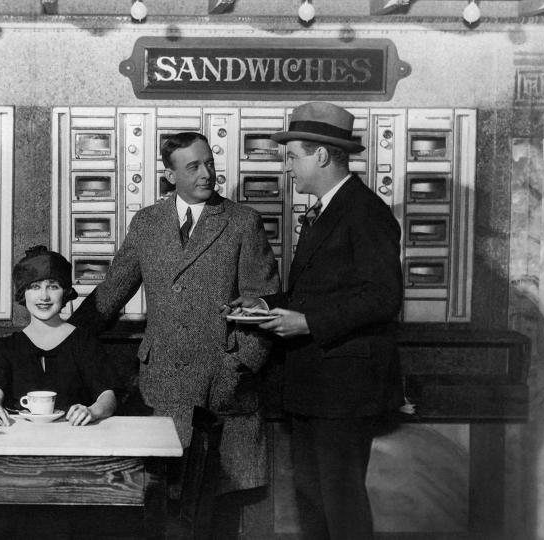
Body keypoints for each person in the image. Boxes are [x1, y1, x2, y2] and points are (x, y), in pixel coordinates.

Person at [68, 132, 281, 512]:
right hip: (162, 380)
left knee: (219, 505)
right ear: (170, 174)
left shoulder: (242, 222)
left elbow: (262, 302)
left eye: (209, 163)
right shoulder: (148, 223)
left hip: (223, 382)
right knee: (165, 502)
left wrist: (243, 362)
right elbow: (113, 289)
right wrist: (62, 338)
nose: (206, 174)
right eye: (193, 166)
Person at [250, 101, 403, 540]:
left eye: (293, 156)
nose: (289, 168)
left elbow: (382, 296)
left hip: (343, 389)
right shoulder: (328, 208)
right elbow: (320, 290)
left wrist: (308, 322)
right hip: (317, 385)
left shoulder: (364, 210)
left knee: (341, 504)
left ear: (321, 155)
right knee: (314, 502)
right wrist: (263, 303)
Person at [0, 246, 117, 427]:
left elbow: (108, 396)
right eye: (34, 287)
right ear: (23, 294)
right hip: (21, 441)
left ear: (65, 292)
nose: (44, 296)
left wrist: (92, 411)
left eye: (53, 286)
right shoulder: (10, 346)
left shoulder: (84, 342)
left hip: (75, 439)